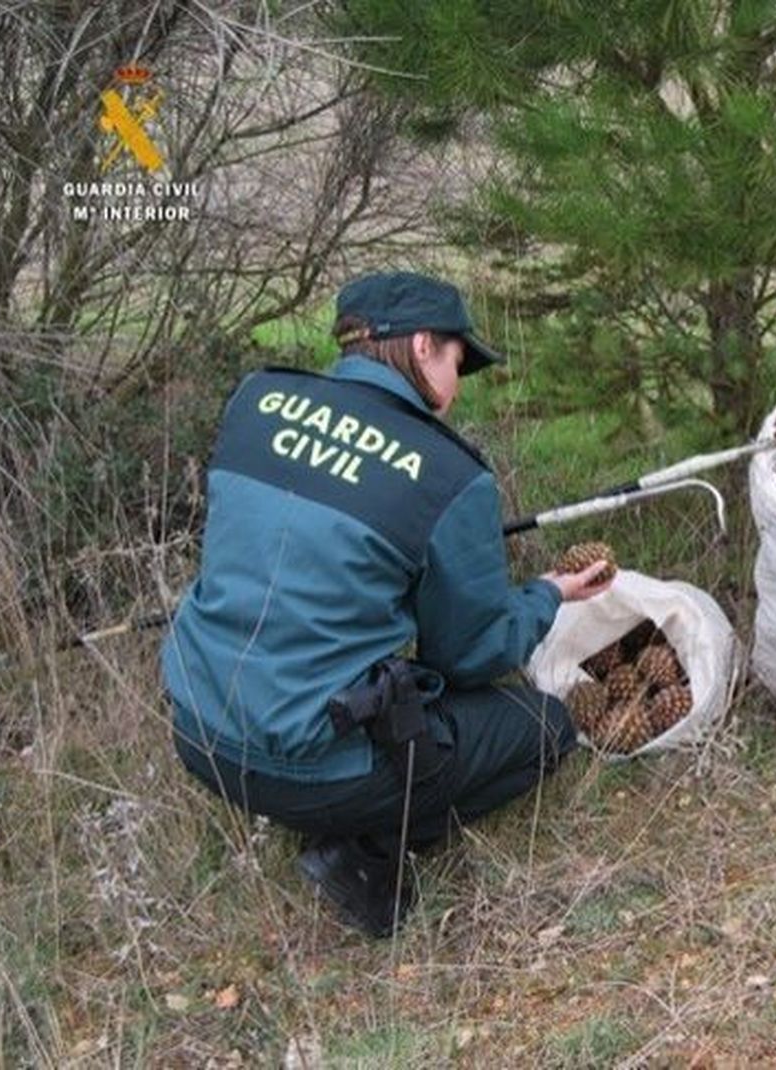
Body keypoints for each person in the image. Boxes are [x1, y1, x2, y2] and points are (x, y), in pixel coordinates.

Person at [162, 271, 611, 937]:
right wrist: (547, 595)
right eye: (459, 361)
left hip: (199, 734)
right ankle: (362, 849)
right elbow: (470, 657)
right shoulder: (448, 473)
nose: (458, 387)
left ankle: (330, 808)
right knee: (543, 727)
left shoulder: (255, 398)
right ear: (424, 345)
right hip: (317, 768)